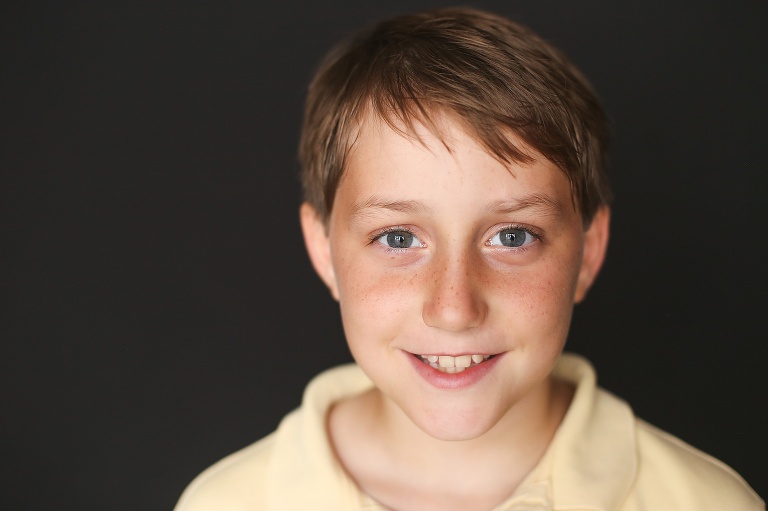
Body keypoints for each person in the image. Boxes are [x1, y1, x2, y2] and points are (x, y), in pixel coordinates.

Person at [173, 7, 764, 511]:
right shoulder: (226, 501)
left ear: (588, 252)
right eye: (399, 239)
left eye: (512, 237)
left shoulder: (708, 501)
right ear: (324, 251)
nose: (454, 308)